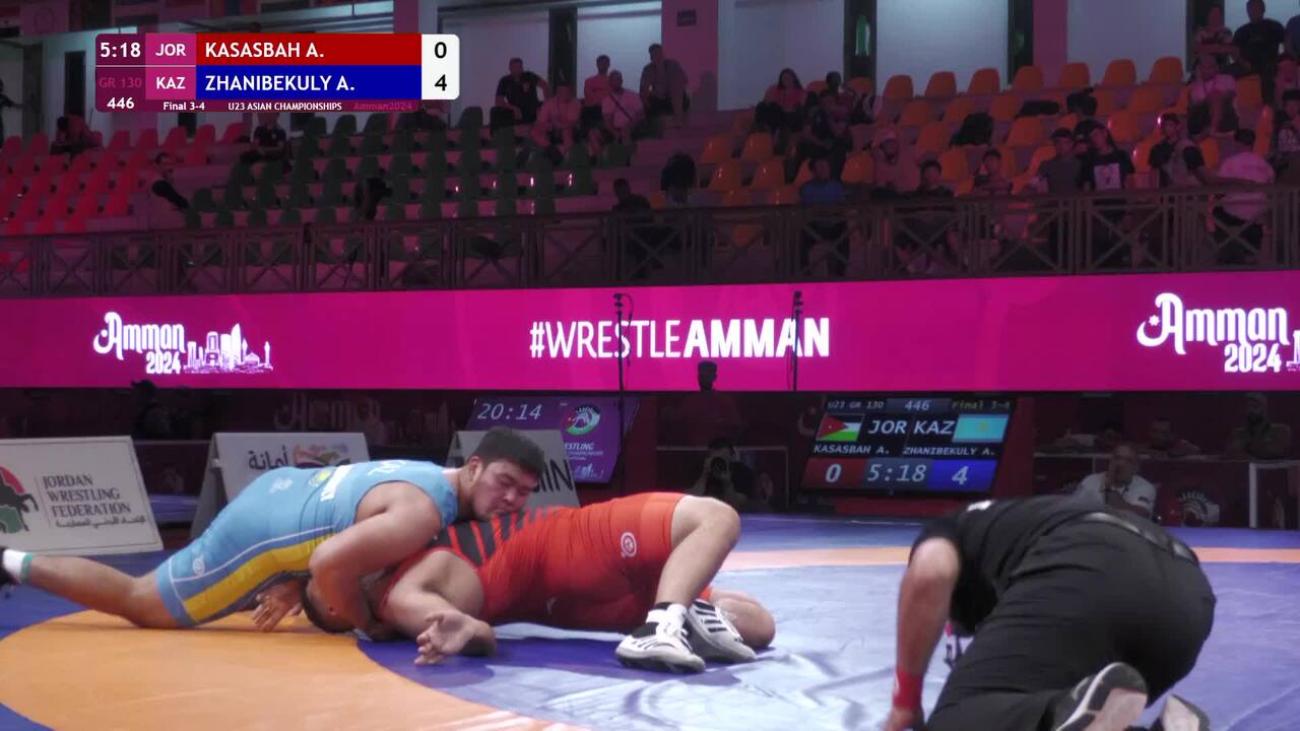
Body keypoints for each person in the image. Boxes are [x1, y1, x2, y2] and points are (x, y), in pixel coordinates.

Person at [0, 428, 546, 637]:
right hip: (262, 531)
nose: (511, 500)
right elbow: (331, 562)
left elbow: (348, 536)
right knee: (142, 602)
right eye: (504, 483)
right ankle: (9, 560)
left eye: (523, 493)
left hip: (285, 492)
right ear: (475, 466)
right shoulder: (424, 511)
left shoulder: (431, 476)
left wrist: (292, 584)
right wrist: (366, 625)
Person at [297, 493, 774, 673]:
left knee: (756, 624)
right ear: (340, 605)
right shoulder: (400, 597)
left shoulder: (392, 558)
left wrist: (285, 583)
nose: (340, 563)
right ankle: (659, 627)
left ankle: (672, 611)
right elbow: (475, 632)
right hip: (569, 545)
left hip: (565, 604)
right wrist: (467, 631)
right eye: (330, 580)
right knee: (716, 518)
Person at [884, 496, 1216, 731]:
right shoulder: (1018, 523)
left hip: (1092, 565)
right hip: (1189, 599)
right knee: (1083, 706)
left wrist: (905, 702)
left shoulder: (950, 528)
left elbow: (929, 574)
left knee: (957, 719)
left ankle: (1054, 714)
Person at [1072, 443, 1157, 519]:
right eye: (1117, 458)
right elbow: (1073, 511)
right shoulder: (1090, 481)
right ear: (1110, 461)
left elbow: (1139, 516)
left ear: (1136, 468)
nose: (1121, 464)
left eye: (1128, 461)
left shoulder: (1145, 487)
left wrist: (1109, 485)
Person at [1234, 0, 1287, 103]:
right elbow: (1234, 51)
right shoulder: (1241, 31)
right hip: (1246, 65)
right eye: (1250, 9)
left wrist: (1281, 60)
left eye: (1256, 8)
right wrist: (1243, 63)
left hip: (1270, 64)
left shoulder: (1274, 26)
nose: (1253, 11)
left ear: (1263, 9)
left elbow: (1286, 43)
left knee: (1269, 75)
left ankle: (1269, 108)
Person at [1148, 112, 1210, 188]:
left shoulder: (1188, 147)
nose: (1166, 128)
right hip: (1166, 190)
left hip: (1186, 188)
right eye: (1164, 125)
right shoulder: (1157, 149)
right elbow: (1154, 173)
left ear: (1178, 127)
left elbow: (1199, 171)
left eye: (1170, 125)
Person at [1225, 392, 1294, 459]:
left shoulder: (1281, 430)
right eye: (1247, 407)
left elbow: (1277, 452)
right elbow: (1231, 453)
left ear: (1264, 409)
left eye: (1255, 407)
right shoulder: (1238, 433)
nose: (1250, 410)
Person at [640, 43, 689, 123]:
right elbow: (644, 88)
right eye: (654, 54)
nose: (657, 56)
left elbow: (684, 80)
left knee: (677, 92)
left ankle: (678, 118)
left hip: (676, 97)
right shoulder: (648, 69)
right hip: (658, 99)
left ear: (662, 54)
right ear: (651, 56)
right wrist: (652, 92)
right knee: (650, 100)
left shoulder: (673, 64)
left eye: (658, 53)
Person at [494, 58, 549, 128]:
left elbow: (545, 85)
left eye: (519, 67)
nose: (517, 69)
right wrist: (512, 108)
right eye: (515, 67)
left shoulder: (529, 76)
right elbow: (498, 101)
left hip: (534, 110)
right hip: (517, 113)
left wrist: (546, 104)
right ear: (510, 68)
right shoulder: (505, 81)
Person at [1035, 128, 1083, 194]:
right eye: (1057, 142)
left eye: (1065, 142)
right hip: (1054, 200)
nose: (1060, 146)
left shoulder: (1081, 164)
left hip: (1076, 200)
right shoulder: (1047, 165)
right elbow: (1035, 182)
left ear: (1071, 144)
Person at [602, 71, 645, 144]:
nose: (616, 82)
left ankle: (628, 149)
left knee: (626, 132)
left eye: (618, 79)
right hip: (616, 128)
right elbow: (607, 120)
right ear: (610, 82)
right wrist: (614, 132)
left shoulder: (633, 95)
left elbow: (641, 114)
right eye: (613, 80)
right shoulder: (606, 100)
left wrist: (630, 125)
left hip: (633, 125)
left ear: (621, 81)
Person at [1196, 4, 1239, 70]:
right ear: (1208, 15)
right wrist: (1218, 47)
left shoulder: (1226, 32)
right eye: (1213, 13)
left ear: (1221, 16)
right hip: (1203, 68)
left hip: (1222, 67)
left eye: (1217, 14)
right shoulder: (1201, 32)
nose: (1214, 16)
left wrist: (1207, 48)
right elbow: (1197, 49)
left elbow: (1229, 49)